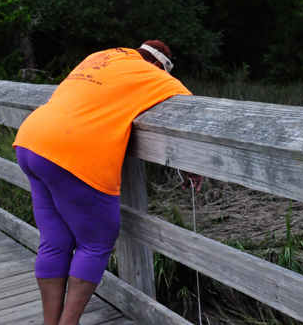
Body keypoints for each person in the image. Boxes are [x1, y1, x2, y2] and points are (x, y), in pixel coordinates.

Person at [13, 40, 202, 325]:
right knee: (96, 243)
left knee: (55, 241)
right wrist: (191, 165)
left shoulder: (101, 56)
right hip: (70, 152)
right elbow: (189, 107)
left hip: (31, 140)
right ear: (157, 66)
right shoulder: (151, 73)